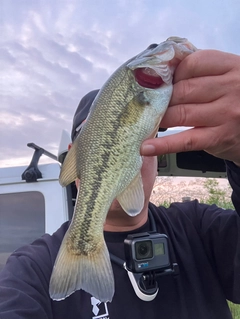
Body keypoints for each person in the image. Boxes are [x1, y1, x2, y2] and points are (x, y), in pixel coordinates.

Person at [0, 49, 239, 319]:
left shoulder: (201, 228)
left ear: (157, 153)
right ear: (73, 158)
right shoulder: (33, 269)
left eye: (139, 136)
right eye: (98, 139)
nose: (116, 145)